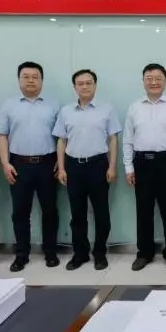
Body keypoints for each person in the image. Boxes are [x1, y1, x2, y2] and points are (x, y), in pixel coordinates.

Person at [0, 61, 59, 273]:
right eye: (26, 76)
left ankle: (50, 252)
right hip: (18, 165)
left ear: (41, 80)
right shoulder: (8, 106)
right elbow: (1, 136)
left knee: (50, 211)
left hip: (48, 164)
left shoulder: (53, 105)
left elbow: (62, 137)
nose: (31, 80)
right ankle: (21, 255)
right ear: (19, 80)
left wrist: (60, 162)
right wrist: (5, 163)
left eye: (35, 77)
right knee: (20, 212)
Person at [124, 63, 166, 272]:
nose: (154, 82)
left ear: (165, 81)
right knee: (143, 211)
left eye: (158, 78)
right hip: (142, 163)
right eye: (149, 78)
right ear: (143, 81)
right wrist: (128, 167)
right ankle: (144, 253)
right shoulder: (134, 107)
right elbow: (128, 140)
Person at [54, 69, 121, 271]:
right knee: (77, 214)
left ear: (95, 85)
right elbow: (61, 140)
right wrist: (61, 168)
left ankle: (100, 253)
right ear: (74, 87)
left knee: (101, 213)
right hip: (73, 166)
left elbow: (113, 139)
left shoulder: (107, 109)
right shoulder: (66, 111)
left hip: (98, 165)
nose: (85, 86)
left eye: (88, 83)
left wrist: (112, 166)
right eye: (80, 83)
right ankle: (80, 254)